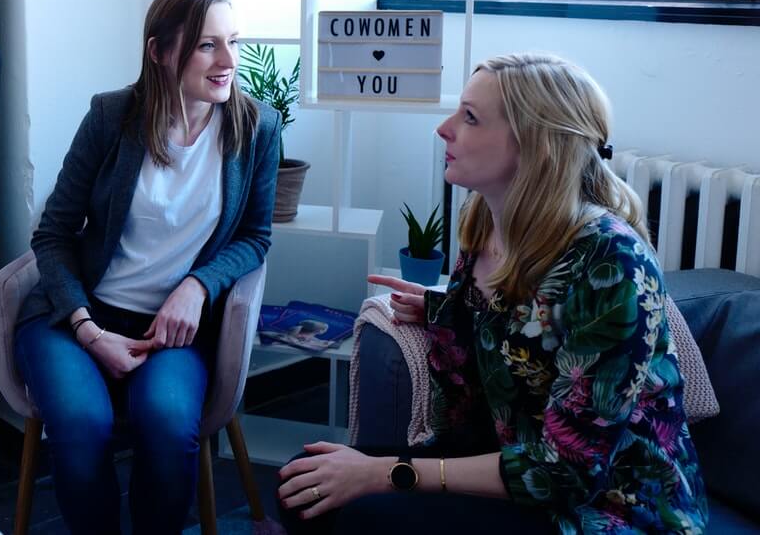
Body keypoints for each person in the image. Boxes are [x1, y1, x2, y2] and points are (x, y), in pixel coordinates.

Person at [276, 53, 708, 534]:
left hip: (600, 504)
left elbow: (568, 469)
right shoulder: (484, 223)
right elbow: (521, 325)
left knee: (363, 514)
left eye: (470, 117)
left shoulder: (611, 262)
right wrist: (444, 310)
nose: (444, 128)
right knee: (303, 482)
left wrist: (385, 473)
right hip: (508, 461)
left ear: (536, 146)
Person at [15, 0, 282, 535]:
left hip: (172, 329)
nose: (229, 61)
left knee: (166, 423)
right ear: (159, 52)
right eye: (208, 46)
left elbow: (255, 236)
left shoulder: (256, 127)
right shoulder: (112, 117)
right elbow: (54, 234)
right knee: (81, 425)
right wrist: (88, 329)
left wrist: (198, 286)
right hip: (75, 316)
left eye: (233, 41)